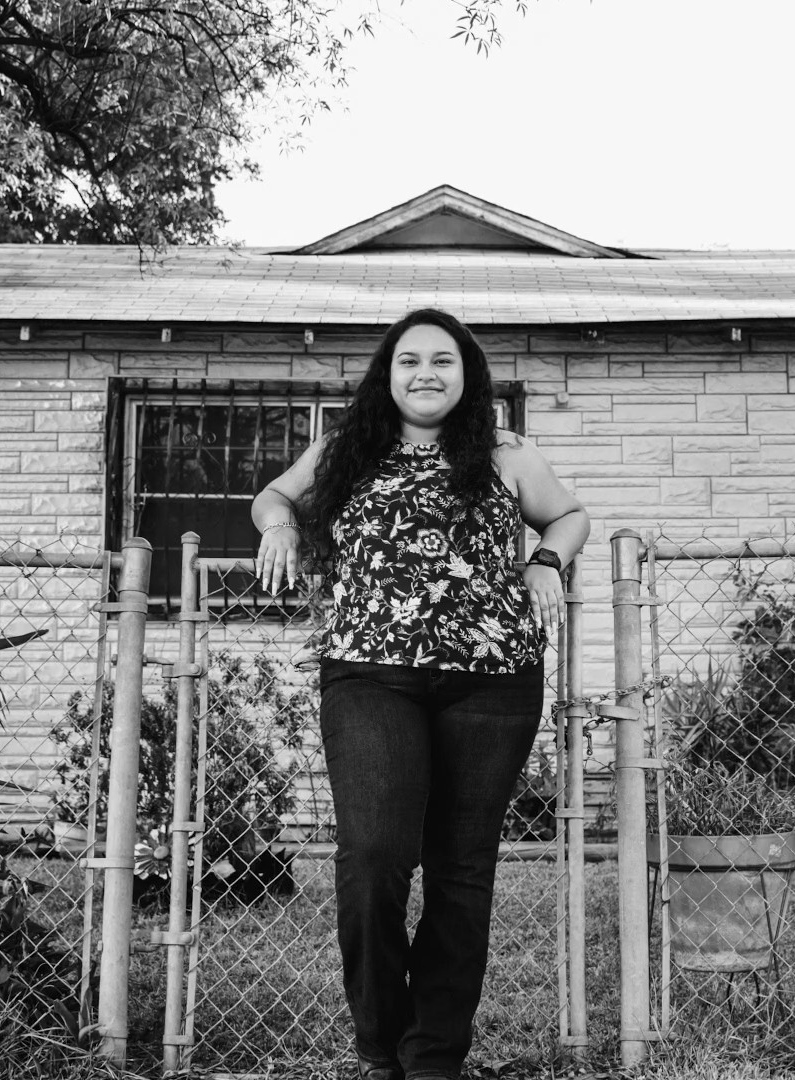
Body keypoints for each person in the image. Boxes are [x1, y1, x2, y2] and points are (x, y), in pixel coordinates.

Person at [251, 308, 590, 1080]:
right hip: (370, 675)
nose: (426, 373)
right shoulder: (347, 448)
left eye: (444, 360)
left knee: (461, 868)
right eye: (409, 360)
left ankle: (434, 1057)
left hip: (495, 679)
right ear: (388, 374)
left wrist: (545, 559)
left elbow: (571, 515)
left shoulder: (505, 453)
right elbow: (273, 497)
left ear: (468, 375)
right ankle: (382, 1041)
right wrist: (278, 525)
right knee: (373, 857)